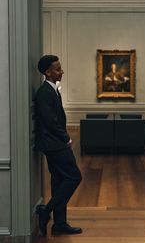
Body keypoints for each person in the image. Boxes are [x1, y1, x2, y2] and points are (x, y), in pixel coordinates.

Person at [34, 55, 82, 236]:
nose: (61, 71)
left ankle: (60, 223)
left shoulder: (52, 90)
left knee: (59, 181)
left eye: (60, 68)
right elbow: (51, 122)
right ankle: (45, 212)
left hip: (54, 143)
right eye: (57, 69)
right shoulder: (44, 92)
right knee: (74, 177)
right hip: (54, 144)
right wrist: (66, 138)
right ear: (47, 72)